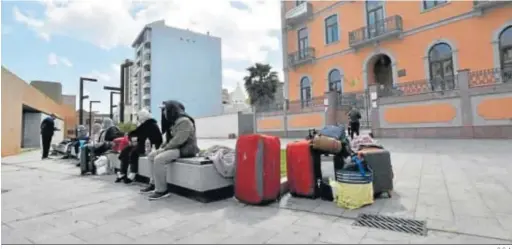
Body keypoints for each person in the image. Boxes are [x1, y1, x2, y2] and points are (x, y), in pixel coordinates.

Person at [140, 100, 199, 200]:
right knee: (151, 156)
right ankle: (153, 184)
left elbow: (178, 140)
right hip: (176, 147)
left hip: (185, 149)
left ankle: (162, 190)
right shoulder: (173, 122)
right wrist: (162, 148)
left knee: (159, 159)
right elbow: (169, 139)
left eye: (165, 110)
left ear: (172, 110)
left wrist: (164, 149)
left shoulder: (184, 121)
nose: (163, 112)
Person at [115, 109, 163, 184]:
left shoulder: (150, 124)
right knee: (125, 150)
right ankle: (122, 172)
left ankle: (132, 173)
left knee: (133, 152)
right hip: (144, 144)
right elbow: (135, 133)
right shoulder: (147, 124)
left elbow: (139, 134)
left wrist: (134, 138)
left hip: (150, 146)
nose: (138, 119)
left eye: (138, 117)